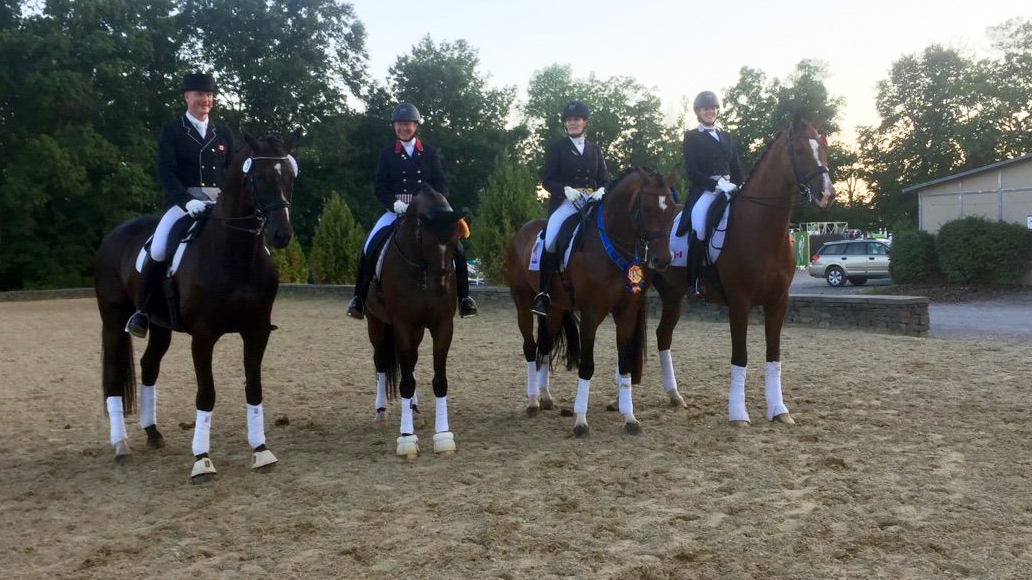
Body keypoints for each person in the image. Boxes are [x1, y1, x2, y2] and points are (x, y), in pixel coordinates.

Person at [125, 72, 234, 338]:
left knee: (255, 245)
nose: (205, 100)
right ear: (186, 97)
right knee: (160, 248)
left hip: (219, 204)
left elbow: (232, 172)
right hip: (183, 203)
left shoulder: (224, 133)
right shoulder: (172, 131)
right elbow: (166, 172)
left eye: (209, 95)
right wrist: (187, 201)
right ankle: (143, 312)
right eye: (199, 94)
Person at [347, 103, 478, 320]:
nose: (403, 128)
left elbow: (441, 183)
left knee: (458, 247)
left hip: (427, 211)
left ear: (415, 126)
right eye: (399, 124)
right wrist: (395, 204)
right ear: (394, 127)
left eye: (407, 124)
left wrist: (431, 203)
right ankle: (359, 299)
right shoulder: (387, 153)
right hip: (396, 209)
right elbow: (380, 186)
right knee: (371, 244)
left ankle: (465, 298)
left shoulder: (430, 152)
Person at [530, 100, 608, 316]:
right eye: (569, 120)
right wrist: (565, 190)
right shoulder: (557, 149)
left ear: (585, 123)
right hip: (566, 202)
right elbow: (547, 180)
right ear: (565, 124)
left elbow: (604, 179)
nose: (573, 123)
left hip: (591, 202)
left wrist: (601, 190)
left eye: (577, 120)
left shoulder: (595, 149)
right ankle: (543, 294)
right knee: (551, 238)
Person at [681, 90, 743, 297]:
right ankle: (695, 280)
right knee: (699, 225)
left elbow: (736, 167)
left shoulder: (726, 136)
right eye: (705, 108)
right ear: (698, 112)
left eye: (713, 108)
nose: (709, 111)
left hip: (730, 187)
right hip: (705, 190)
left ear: (717, 110)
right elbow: (692, 172)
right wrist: (716, 185)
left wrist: (741, 186)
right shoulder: (692, 137)